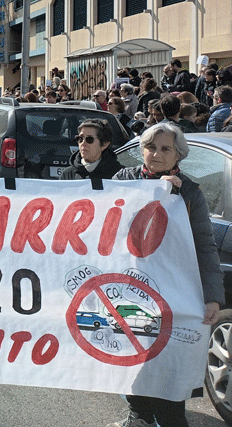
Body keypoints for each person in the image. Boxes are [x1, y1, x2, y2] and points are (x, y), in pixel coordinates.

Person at [108, 122, 223, 427]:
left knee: (168, 369)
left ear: (177, 156)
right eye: (150, 147)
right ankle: (138, 417)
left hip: (172, 295)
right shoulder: (123, 180)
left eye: (165, 149)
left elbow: (204, 246)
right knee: (131, 360)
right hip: (128, 289)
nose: (156, 154)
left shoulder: (190, 194)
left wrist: (213, 296)